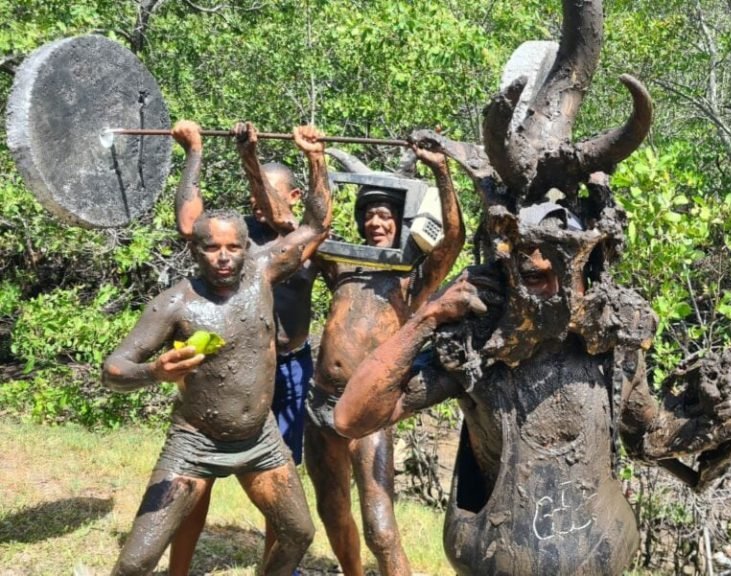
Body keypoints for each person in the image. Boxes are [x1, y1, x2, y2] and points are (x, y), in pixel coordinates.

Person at [332, 202, 731, 575]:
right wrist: (427, 317)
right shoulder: (477, 347)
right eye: (525, 250)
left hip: (603, 552)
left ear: (586, 260)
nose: (537, 261)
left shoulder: (613, 348)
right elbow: (352, 417)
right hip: (493, 560)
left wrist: (729, 416)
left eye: (555, 249)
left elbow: (649, 434)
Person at [101, 120, 332, 576]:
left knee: (298, 533)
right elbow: (113, 369)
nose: (223, 256)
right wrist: (155, 372)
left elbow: (317, 223)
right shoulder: (174, 303)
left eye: (232, 247)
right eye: (211, 248)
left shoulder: (263, 273)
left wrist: (315, 158)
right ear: (196, 250)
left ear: (247, 248)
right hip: (194, 444)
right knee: (136, 562)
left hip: (260, 441)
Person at [296, 133, 464, 576]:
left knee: (381, 528)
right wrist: (316, 162)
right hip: (320, 406)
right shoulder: (343, 264)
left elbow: (453, 239)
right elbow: (312, 224)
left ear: (401, 222)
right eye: (369, 215)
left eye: (385, 215)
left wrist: (441, 173)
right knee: (332, 512)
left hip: (369, 408)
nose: (376, 223)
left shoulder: (412, 277)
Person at [167, 122, 319, 576]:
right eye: (253, 193)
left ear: (293, 197)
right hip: (225, 373)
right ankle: (178, 568)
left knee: (282, 482)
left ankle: (279, 569)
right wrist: (194, 152)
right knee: (195, 480)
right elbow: (187, 223)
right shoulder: (238, 241)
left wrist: (258, 159)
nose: (257, 202)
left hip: (287, 369)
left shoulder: (301, 240)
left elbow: (305, 221)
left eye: (267, 193)